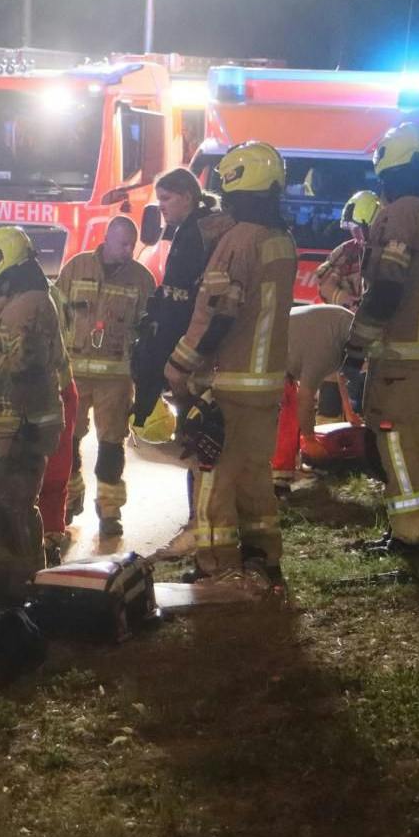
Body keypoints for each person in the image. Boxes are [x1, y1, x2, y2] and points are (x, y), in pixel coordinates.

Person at [165, 142, 297, 590]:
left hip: (229, 379)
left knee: (215, 478)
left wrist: (181, 363)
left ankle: (215, 563)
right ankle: (264, 557)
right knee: (254, 474)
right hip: (266, 382)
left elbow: (219, 312)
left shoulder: (238, 240)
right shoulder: (281, 239)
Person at [342, 123, 419, 557]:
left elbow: (387, 288)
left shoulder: (398, 215)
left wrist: (356, 346)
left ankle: (411, 535)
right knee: (417, 441)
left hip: (399, 353)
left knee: (393, 440)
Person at [0, 226, 66, 614]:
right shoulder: (6, 297)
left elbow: (21, 363)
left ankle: (24, 589)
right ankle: (3, 581)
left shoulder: (33, 303)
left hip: (27, 424)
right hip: (8, 422)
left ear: (4, 264)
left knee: (13, 505)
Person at [56, 216, 156, 540]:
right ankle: (69, 499)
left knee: (111, 446)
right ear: (107, 239)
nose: (128, 251)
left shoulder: (142, 279)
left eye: (132, 244)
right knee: (68, 439)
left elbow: (150, 329)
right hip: (73, 375)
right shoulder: (76, 268)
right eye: (123, 244)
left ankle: (110, 511)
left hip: (116, 378)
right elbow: (57, 315)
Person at [131, 168, 230, 424]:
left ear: (186, 197)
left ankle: (184, 421)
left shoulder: (193, 231)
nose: (161, 206)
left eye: (166, 198)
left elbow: (182, 293)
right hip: (199, 326)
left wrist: (158, 332)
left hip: (189, 327)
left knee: (171, 376)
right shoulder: (199, 226)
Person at [273, 303, 356, 484]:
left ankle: (286, 468)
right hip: (271, 363)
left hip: (281, 348)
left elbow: (343, 372)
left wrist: (349, 411)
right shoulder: (327, 348)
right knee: (289, 414)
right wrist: (310, 439)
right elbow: (306, 395)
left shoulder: (348, 325)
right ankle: (280, 476)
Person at [37, 284, 80, 563]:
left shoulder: (21, 299)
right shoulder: (51, 293)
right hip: (62, 388)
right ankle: (51, 537)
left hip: (44, 392)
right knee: (56, 470)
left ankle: (45, 540)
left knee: (45, 474)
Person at [314, 189, 379, 310]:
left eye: (357, 228)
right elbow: (323, 281)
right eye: (351, 228)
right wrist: (340, 297)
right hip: (347, 320)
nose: (354, 234)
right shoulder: (346, 251)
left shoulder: (388, 252)